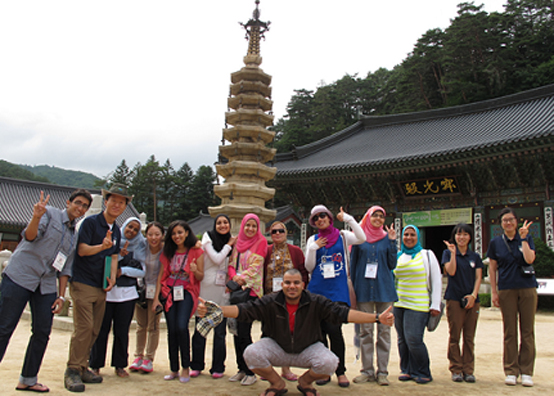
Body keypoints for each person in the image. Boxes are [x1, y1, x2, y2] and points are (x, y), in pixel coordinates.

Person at [197, 269, 395, 396]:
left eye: (296, 283)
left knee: (330, 362)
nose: (292, 286)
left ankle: (305, 382)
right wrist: (218, 310)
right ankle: (276, 383)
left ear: (303, 285)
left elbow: (343, 314)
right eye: (287, 283)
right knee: (251, 353)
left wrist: (377, 318)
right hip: (278, 347)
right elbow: (245, 310)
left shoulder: (316, 301)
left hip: (306, 348)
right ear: (282, 284)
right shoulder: (271, 301)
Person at [0, 189, 92, 393]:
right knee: (4, 328)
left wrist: (61, 295)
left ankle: (28, 379)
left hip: (46, 284)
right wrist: (35, 216)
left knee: (42, 331)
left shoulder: (73, 236)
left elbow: (65, 268)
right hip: (20, 276)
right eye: (78, 203)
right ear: (68, 203)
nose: (80, 208)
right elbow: (30, 237)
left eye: (85, 206)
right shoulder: (48, 214)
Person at [65, 183, 131, 392]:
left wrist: (112, 278)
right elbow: (82, 250)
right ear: (106, 201)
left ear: (125, 206)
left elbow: (112, 256)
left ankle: (83, 365)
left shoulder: (117, 230)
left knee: (95, 329)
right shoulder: (90, 223)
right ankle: (73, 369)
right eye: (114, 200)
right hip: (83, 281)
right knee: (84, 327)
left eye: (122, 202)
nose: (117, 205)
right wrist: (100, 247)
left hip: (100, 285)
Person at [304, 205, 366, 387]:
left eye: (323, 216)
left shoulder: (342, 236)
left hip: (337, 291)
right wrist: (313, 248)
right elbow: (308, 267)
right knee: (320, 333)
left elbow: (362, 238)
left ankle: (340, 371)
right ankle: (324, 371)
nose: (320, 219)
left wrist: (348, 218)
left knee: (334, 330)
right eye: (316, 218)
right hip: (317, 290)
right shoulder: (312, 239)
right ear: (314, 223)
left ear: (330, 218)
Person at [89, 217, 146, 378]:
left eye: (135, 229)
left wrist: (124, 271)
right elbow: (104, 262)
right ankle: (95, 364)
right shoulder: (112, 241)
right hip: (107, 292)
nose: (132, 231)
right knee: (101, 330)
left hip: (127, 294)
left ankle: (120, 365)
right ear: (123, 226)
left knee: (122, 331)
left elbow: (143, 272)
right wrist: (118, 255)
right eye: (129, 227)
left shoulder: (139, 246)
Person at [487, 208, 537, 387]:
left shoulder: (527, 238)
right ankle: (510, 370)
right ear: (500, 224)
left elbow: (530, 259)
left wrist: (523, 239)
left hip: (527, 288)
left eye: (511, 220)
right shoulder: (495, 243)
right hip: (507, 288)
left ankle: (526, 371)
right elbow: (492, 268)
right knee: (510, 331)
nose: (508, 223)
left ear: (517, 221)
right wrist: (494, 291)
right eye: (504, 220)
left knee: (527, 330)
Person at [350, 205, 397, 386]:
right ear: (368, 217)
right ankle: (367, 371)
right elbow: (353, 266)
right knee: (366, 332)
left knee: (384, 332)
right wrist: (353, 291)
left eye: (381, 216)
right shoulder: (359, 238)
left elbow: (392, 264)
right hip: (363, 289)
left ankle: (383, 372)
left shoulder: (387, 239)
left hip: (384, 290)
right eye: (375, 215)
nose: (378, 219)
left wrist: (392, 241)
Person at [153, 220, 204, 383]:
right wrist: (156, 299)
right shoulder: (168, 251)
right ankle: (173, 368)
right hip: (169, 292)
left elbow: (200, 276)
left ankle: (185, 367)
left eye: (180, 232)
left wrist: (195, 271)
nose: (177, 236)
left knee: (182, 327)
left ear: (187, 233)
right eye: (174, 233)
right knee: (172, 330)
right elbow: (161, 276)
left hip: (187, 292)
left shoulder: (196, 251)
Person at [394, 225, 442, 384]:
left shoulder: (426, 255)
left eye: (412, 234)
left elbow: (436, 279)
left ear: (418, 237)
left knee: (414, 339)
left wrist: (435, 304)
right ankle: (406, 370)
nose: (408, 237)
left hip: (419, 304)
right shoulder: (398, 255)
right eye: (405, 234)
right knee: (402, 339)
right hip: (399, 303)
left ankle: (422, 371)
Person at [190, 214, 236, 379]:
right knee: (200, 329)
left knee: (220, 332)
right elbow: (217, 258)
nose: (223, 225)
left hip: (222, 289)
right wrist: (229, 246)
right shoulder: (208, 237)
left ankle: (218, 367)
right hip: (206, 287)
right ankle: (196, 364)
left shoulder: (232, 241)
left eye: (226, 222)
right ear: (214, 225)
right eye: (219, 223)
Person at [263, 221, 309, 382]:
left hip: (290, 297)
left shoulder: (295, 251)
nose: (277, 234)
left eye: (280, 231)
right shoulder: (266, 250)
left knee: (287, 332)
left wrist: (300, 290)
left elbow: (303, 272)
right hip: (270, 296)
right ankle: (266, 368)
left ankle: (285, 368)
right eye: (274, 231)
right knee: (268, 331)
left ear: (286, 232)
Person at [227, 213, 268, 386]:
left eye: (253, 226)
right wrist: (234, 278)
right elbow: (231, 264)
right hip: (237, 293)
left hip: (251, 293)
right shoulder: (237, 243)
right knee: (236, 333)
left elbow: (256, 266)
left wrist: (240, 278)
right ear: (242, 226)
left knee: (245, 332)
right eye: (247, 225)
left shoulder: (261, 242)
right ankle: (241, 368)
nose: (250, 229)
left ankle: (251, 371)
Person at [442, 223, 483, 383]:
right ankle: (456, 368)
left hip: (472, 300)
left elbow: (478, 277)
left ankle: (468, 370)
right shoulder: (447, 253)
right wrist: (453, 254)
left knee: (469, 337)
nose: (462, 237)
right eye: (459, 234)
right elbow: (451, 272)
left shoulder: (475, 257)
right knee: (455, 335)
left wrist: (473, 295)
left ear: (470, 237)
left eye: (465, 234)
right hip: (454, 298)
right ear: (454, 236)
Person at [129, 221, 165, 374]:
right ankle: (138, 356)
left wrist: (157, 298)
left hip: (156, 290)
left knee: (153, 325)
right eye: (150, 234)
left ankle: (149, 358)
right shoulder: (141, 247)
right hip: (141, 290)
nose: (153, 238)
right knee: (140, 325)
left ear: (162, 235)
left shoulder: (165, 252)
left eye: (157, 234)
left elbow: (161, 276)